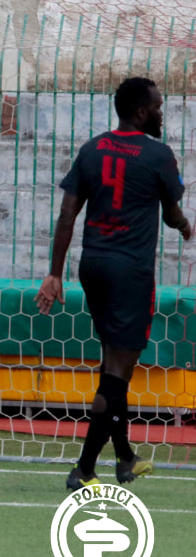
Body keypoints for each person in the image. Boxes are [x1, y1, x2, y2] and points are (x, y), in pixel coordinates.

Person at [34, 77, 191, 491]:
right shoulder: (158, 155)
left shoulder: (92, 148)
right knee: (117, 373)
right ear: (142, 112)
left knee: (112, 362)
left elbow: (68, 215)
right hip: (130, 272)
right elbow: (171, 213)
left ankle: (125, 459)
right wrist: (186, 227)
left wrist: (54, 273)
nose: (162, 112)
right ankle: (84, 468)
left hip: (93, 267)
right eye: (158, 106)